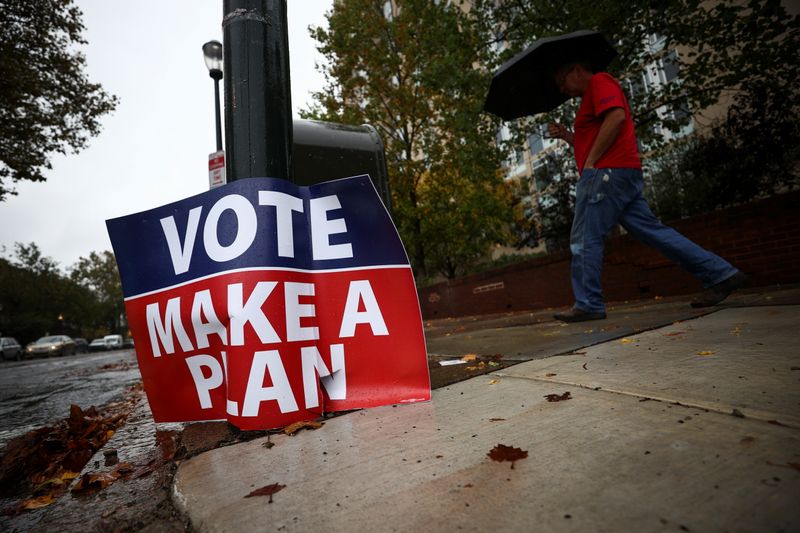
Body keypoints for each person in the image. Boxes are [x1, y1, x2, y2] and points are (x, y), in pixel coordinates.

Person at [546, 61, 746, 323]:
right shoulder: (590, 97)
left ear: (576, 70)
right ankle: (721, 274)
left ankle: (588, 303)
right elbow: (594, 136)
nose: (563, 90)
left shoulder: (600, 82)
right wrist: (567, 136)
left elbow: (616, 116)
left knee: (584, 238)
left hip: (606, 174)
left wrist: (593, 162)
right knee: (655, 232)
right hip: (620, 173)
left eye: (563, 83)